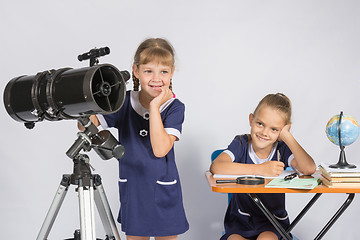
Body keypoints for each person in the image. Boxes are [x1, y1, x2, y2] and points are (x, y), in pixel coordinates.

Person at [86, 38, 189, 240]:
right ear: (136, 71)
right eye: (148, 71)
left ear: (172, 72)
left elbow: (160, 149)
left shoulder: (175, 108)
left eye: (164, 72)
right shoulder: (123, 101)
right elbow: (87, 125)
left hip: (164, 190)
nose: (156, 78)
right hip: (134, 191)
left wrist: (154, 106)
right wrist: (90, 97)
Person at [210, 93, 316, 240]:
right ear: (251, 120)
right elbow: (216, 166)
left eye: (274, 129)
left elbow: (309, 168)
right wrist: (260, 170)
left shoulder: (282, 149)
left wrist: (287, 136)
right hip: (240, 222)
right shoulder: (241, 143)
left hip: (273, 222)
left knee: (266, 239)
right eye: (260, 124)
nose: (264, 133)